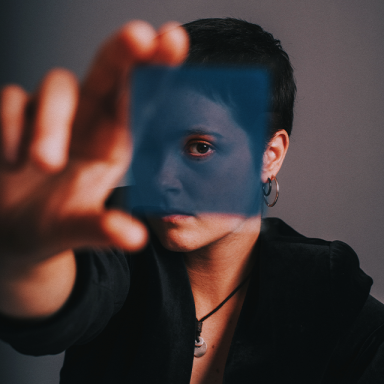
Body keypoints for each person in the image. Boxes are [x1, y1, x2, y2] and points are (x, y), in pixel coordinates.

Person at [0, 17, 383, 384]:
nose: (162, 179)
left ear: (270, 154)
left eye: (200, 147)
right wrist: (26, 258)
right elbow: (57, 306)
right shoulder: (115, 229)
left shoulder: (326, 292)